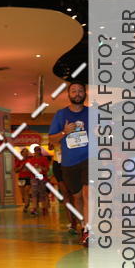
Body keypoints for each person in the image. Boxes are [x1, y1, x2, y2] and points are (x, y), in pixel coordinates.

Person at [48, 82, 89, 245]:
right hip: (69, 162)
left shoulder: (93, 113)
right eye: (74, 91)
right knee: (77, 197)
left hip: (89, 158)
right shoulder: (61, 114)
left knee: (87, 194)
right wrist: (65, 132)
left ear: (85, 93)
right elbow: (52, 139)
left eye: (80, 91)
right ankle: (82, 225)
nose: (77, 93)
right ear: (69, 94)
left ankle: (88, 230)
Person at [48, 142, 77, 235]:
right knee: (66, 194)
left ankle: (80, 221)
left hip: (72, 161)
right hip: (58, 163)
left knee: (75, 194)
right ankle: (72, 223)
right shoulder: (55, 134)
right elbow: (50, 146)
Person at [28, 145, 50, 216]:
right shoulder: (31, 160)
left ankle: (44, 207)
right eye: (36, 150)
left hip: (42, 177)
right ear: (34, 151)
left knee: (42, 192)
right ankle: (34, 207)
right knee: (34, 192)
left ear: (40, 151)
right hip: (34, 177)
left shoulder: (44, 159)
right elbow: (29, 169)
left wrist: (40, 167)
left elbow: (47, 169)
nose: (37, 152)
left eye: (38, 150)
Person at [14, 148, 33, 213]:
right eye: (24, 152)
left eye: (26, 152)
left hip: (28, 177)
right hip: (21, 178)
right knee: (22, 193)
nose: (25, 153)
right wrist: (21, 166)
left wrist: (29, 168)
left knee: (26, 191)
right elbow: (15, 170)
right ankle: (26, 203)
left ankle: (26, 205)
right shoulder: (19, 160)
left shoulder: (30, 160)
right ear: (21, 153)